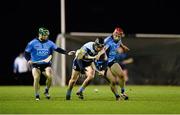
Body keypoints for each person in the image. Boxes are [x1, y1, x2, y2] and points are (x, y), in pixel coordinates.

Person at [24, 27, 75, 101]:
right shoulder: (32, 43)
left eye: (46, 35)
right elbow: (26, 53)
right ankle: (37, 95)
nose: (46, 36)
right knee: (36, 78)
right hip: (35, 64)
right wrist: (28, 60)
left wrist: (67, 53)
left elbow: (58, 49)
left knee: (50, 77)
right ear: (40, 34)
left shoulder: (49, 43)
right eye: (44, 35)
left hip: (46, 64)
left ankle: (46, 91)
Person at [104, 27, 130, 100]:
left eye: (119, 36)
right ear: (113, 33)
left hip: (112, 61)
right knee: (113, 81)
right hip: (104, 63)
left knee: (121, 75)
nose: (117, 37)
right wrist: (100, 68)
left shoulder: (118, 39)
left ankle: (122, 92)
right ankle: (117, 96)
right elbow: (101, 52)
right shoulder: (107, 41)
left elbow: (120, 42)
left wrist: (123, 47)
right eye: (116, 35)